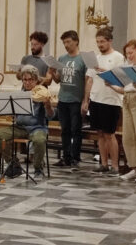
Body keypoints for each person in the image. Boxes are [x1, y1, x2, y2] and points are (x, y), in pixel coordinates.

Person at [0, 65, 54, 180]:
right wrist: (11, 111)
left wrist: (48, 106)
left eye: (31, 79)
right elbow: (15, 115)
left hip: (37, 128)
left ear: (36, 80)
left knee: (39, 140)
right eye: (25, 80)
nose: (27, 82)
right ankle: (14, 164)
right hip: (19, 127)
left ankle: (38, 169)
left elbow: (50, 116)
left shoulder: (42, 93)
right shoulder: (19, 94)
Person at [83, 27, 124, 176]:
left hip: (111, 100)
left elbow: (121, 79)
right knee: (99, 133)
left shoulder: (118, 57)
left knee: (109, 134)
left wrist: (105, 71)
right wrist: (86, 100)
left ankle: (115, 166)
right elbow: (90, 80)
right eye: (98, 42)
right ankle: (104, 164)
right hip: (96, 99)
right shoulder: (96, 58)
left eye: (102, 42)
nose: (100, 45)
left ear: (110, 41)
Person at [106, 38, 136, 183]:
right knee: (128, 137)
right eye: (127, 53)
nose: (129, 56)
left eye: (131, 53)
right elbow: (124, 89)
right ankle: (135, 168)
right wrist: (111, 85)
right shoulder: (127, 68)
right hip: (128, 101)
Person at [49, 30, 87, 170]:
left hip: (76, 99)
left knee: (76, 129)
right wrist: (52, 73)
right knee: (64, 129)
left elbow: (87, 80)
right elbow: (58, 80)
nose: (66, 45)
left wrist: (85, 100)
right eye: (64, 42)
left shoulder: (83, 59)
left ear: (76, 41)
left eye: (68, 42)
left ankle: (75, 157)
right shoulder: (62, 59)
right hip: (63, 99)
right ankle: (66, 157)